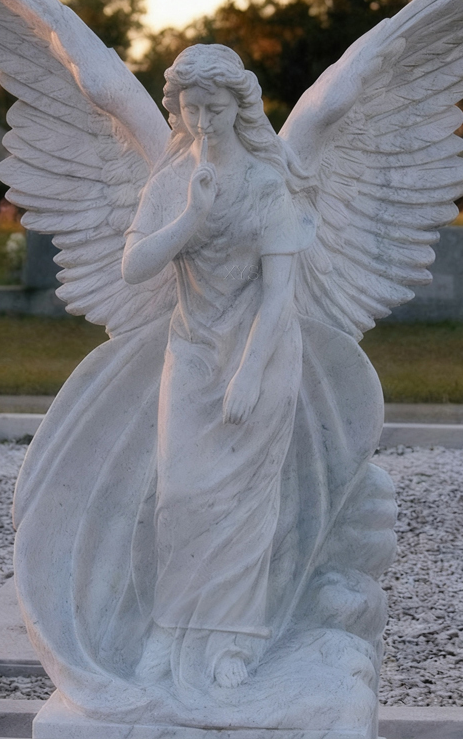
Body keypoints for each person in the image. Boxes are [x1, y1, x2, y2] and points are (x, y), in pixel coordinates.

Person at [122, 45, 313, 689]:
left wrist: (251, 372)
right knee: (179, 498)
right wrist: (193, 216)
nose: (202, 119)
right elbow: (135, 267)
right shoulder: (171, 183)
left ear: (241, 107)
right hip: (193, 350)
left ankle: (234, 640)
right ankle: (170, 629)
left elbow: (280, 293)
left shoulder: (266, 184)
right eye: (190, 106)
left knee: (244, 501)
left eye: (215, 106)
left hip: (260, 351)